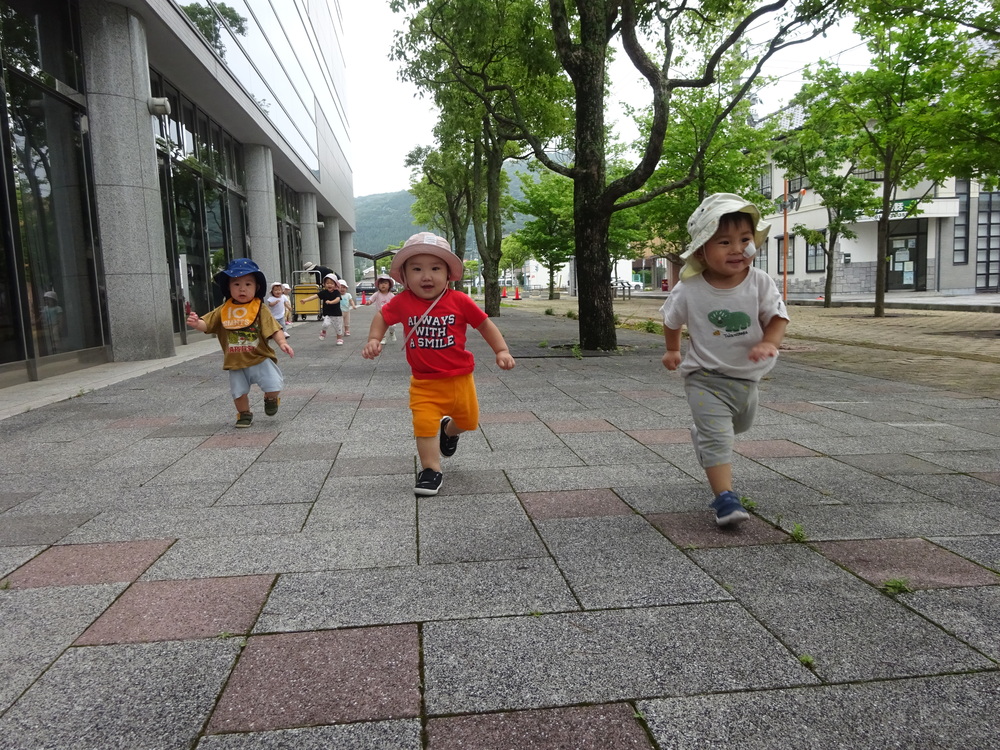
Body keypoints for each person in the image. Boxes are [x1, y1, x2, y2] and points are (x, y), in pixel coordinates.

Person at [660, 193, 789, 527]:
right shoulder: (689, 288)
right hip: (704, 376)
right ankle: (725, 499)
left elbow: (777, 317)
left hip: (747, 378)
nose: (737, 249)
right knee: (719, 437)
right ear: (702, 249)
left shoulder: (760, 282)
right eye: (724, 242)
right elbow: (671, 320)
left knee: (739, 426)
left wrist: (770, 343)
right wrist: (673, 350)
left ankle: (703, 433)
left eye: (745, 240)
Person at [362, 232, 516, 496]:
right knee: (423, 425)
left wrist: (501, 350)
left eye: (435, 268)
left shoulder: (459, 301)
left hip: (459, 379)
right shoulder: (402, 302)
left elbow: (484, 325)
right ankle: (431, 470)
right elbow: (382, 317)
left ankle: (449, 430)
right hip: (423, 381)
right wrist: (374, 339)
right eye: (417, 269)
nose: (426, 276)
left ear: (448, 273)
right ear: (405, 275)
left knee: (468, 422)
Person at [187, 258, 294, 428]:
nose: (242, 288)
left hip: (260, 358)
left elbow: (274, 328)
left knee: (273, 384)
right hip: (235, 362)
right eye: (236, 284)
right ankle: (244, 414)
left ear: (257, 287)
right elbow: (207, 324)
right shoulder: (224, 309)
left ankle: (270, 397)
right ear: (228, 288)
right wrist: (196, 324)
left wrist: (282, 343)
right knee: (238, 392)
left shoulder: (260, 308)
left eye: (248, 284)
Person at [300, 273, 344, 344]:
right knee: (325, 324)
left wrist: (331, 302)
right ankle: (323, 332)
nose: (329, 285)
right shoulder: (324, 292)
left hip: (337, 313)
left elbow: (338, 299)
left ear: (335, 285)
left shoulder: (336, 292)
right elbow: (315, 296)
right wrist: (305, 300)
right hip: (327, 313)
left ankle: (339, 339)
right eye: (327, 283)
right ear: (324, 284)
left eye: (331, 283)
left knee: (338, 327)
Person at [366, 273, 398, 343]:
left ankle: (392, 333)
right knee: (381, 327)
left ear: (389, 285)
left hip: (390, 314)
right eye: (381, 283)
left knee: (392, 326)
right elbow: (371, 300)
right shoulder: (377, 294)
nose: (383, 285)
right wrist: (368, 302)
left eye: (385, 283)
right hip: (380, 315)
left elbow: (396, 303)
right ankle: (383, 338)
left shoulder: (391, 295)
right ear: (378, 285)